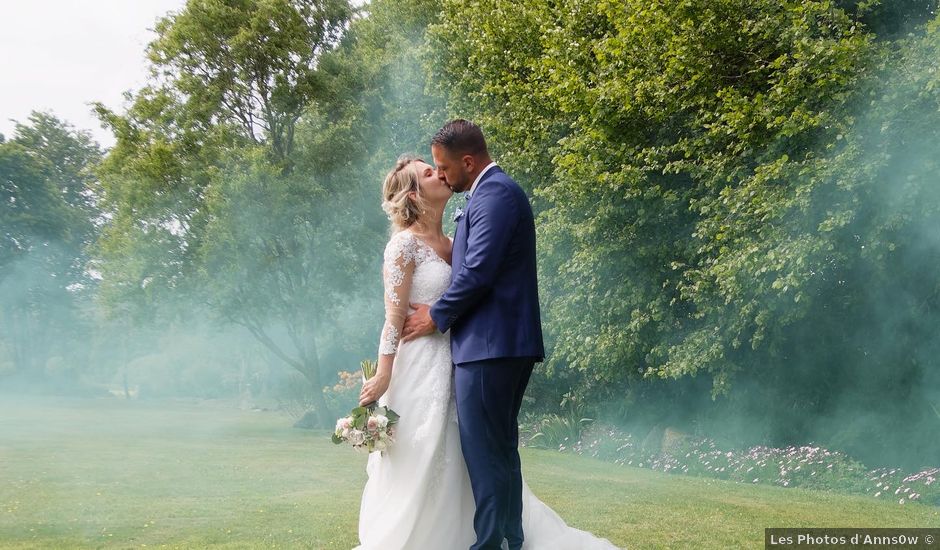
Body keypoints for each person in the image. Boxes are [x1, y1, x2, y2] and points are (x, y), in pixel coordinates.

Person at [355, 120, 619, 550]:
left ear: (468, 161)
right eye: (429, 172)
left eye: (440, 166)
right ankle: (504, 539)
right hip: (449, 359)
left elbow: (477, 273)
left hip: (488, 348)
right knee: (485, 453)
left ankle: (494, 542)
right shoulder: (426, 236)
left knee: (486, 454)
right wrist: (385, 373)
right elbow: (395, 316)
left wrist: (436, 316)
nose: (440, 174)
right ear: (414, 195)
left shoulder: (493, 195)